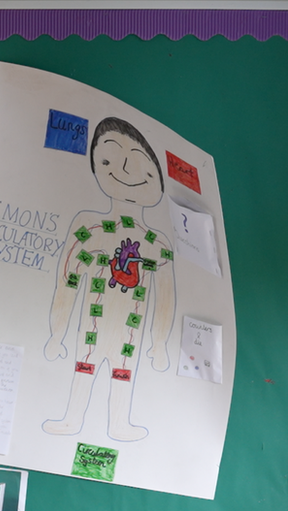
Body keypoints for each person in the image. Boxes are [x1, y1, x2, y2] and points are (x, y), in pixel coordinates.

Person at [43, 117, 175, 442]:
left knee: (123, 372)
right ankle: (73, 418)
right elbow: (68, 280)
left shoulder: (159, 246)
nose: (126, 172)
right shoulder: (90, 227)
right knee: (84, 365)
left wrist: (160, 342)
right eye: (109, 160)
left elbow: (165, 301)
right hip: (92, 326)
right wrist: (56, 332)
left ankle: (119, 424)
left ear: (157, 181)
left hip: (130, 330)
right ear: (96, 168)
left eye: (142, 168)